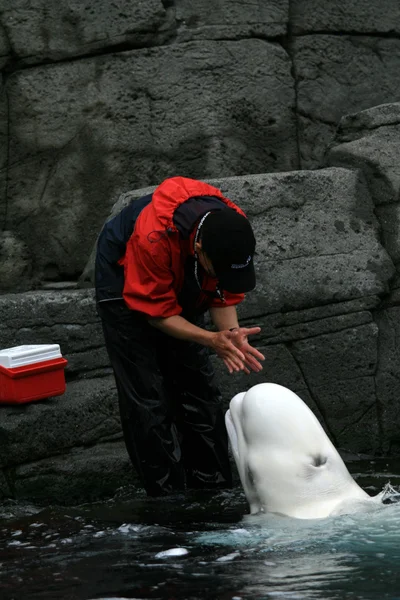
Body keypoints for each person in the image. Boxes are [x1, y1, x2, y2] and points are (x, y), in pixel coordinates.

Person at [95, 176, 264, 496]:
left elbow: (222, 291)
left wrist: (229, 335)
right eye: (219, 270)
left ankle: (213, 488)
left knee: (199, 387)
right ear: (199, 249)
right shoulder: (153, 237)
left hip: (181, 263)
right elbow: (155, 314)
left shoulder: (231, 229)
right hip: (124, 268)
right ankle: (168, 500)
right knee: (148, 396)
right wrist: (208, 338)